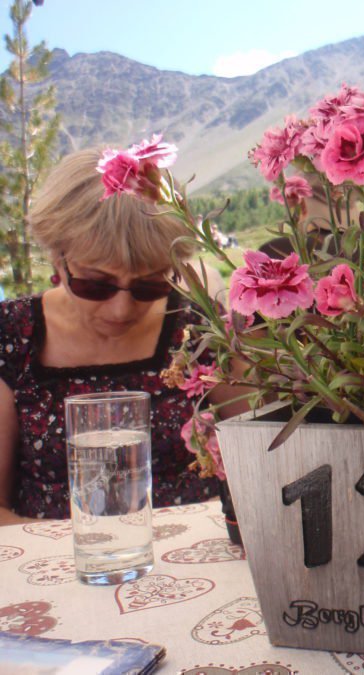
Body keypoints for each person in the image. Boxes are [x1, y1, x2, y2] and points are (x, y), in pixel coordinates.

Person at [0, 149, 245, 525]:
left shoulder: (201, 330)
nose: (121, 310)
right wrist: (93, 551)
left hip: (193, 562)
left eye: (150, 286)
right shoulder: (12, 334)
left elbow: (259, 470)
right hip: (47, 570)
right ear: (56, 255)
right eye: (95, 285)